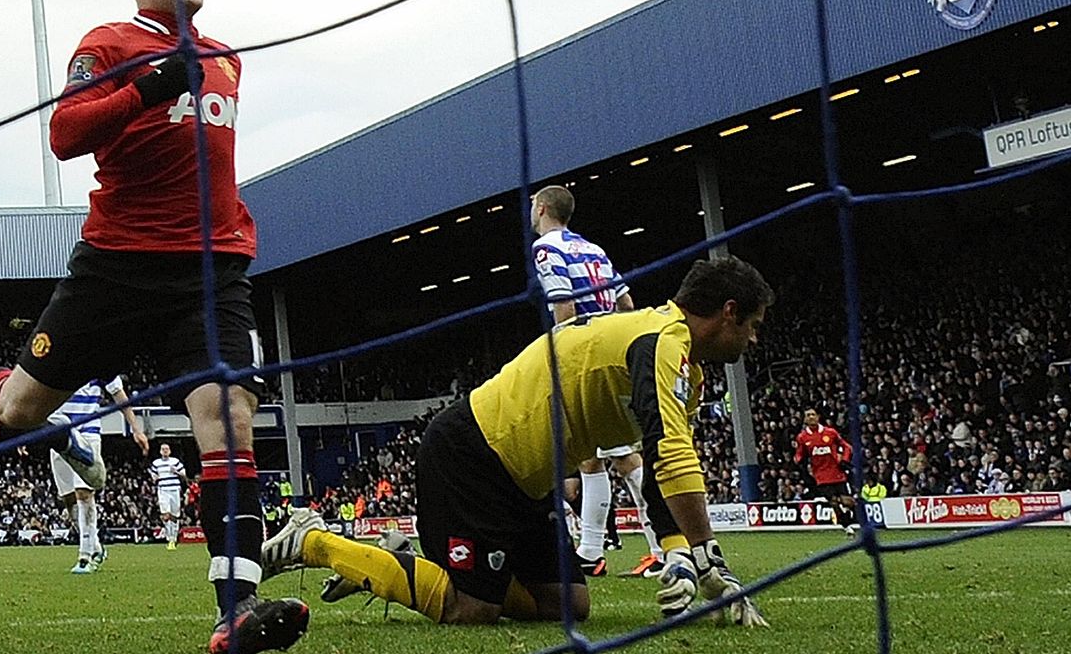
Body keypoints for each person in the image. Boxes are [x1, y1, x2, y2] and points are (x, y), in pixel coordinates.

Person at [0, 0, 307, 654]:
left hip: (212, 272)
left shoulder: (226, 59)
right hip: (119, 269)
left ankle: (236, 610)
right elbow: (64, 134)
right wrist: (153, 85)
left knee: (231, 421)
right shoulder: (112, 42)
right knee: (25, 408)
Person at [262, 256, 773, 629]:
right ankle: (317, 542)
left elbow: (664, 465)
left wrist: (677, 549)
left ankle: (401, 567)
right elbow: (672, 454)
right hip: (474, 456)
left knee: (568, 605)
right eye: (751, 325)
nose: (753, 339)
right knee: (472, 609)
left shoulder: (685, 368)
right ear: (728, 312)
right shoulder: (661, 341)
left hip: (528, 481)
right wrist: (707, 555)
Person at [526, 186, 663, 579]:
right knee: (591, 454)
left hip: (586, 355)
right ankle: (591, 551)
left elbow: (564, 306)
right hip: (611, 347)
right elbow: (626, 305)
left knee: (624, 457)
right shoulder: (595, 250)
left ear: (542, 208)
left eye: (532, 208)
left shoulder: (547, 250)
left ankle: (661, 547)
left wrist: (563, 358)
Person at [52, 376, 149, 574]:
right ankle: (96, 547)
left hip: (88, 433)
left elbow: (119, 394)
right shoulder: (56, 358)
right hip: (58, 435)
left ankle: (84, 556)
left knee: (84, 493)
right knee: (69, 500)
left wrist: (136, 429)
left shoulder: (99, 360)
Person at [793, 408, 858, 536]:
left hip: (837, 473)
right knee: (833, 502)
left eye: (813, 414)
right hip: (821, 476)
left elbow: (846, 446)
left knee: (847, 501)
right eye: (808, 415)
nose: (811, 417)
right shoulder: (802, 437)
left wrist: (844, 459)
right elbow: (799, 454)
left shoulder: (830, 433)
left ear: (818, 416)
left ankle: (849, 516)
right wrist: (800, 461)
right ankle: (847, 527)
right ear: (805, 419)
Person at [150, 442, 189, 550]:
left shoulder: (175, 461)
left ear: (170, 451)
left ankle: (174, 538)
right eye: (163, 449)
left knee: (174, 515)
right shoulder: (156, 463)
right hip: (163, 490)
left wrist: (176, 471)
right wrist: (155, 477)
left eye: (167, 449)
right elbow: (153, 475)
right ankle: (169, 538)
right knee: (165, 514)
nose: (165, 451)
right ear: (160, 451)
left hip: (174, 489)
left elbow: (184, 473)